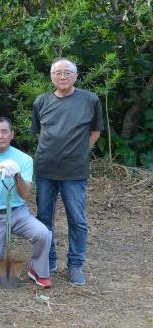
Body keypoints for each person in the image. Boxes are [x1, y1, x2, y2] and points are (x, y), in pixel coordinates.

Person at [31, 57, 103, 286]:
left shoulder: (90, 100)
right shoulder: (41, 101)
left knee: (77, 219)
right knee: (44, 218)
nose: (62, 77)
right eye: (58, 73)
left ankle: (75, 265)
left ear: (76, 75)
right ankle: (48, 260)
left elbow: (95, 133)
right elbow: (40, 133)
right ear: (51, 76)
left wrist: (79, 152)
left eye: (67, 73)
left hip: (74, 171)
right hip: (45, 169)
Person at [0, 117, 52, 288]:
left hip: (18, 213)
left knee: (43, 234)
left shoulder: (24, 159)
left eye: (4, 132)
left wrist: (17, 175)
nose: (0, 136)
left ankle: (37, 269)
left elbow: (24, 195)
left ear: (12, 134)